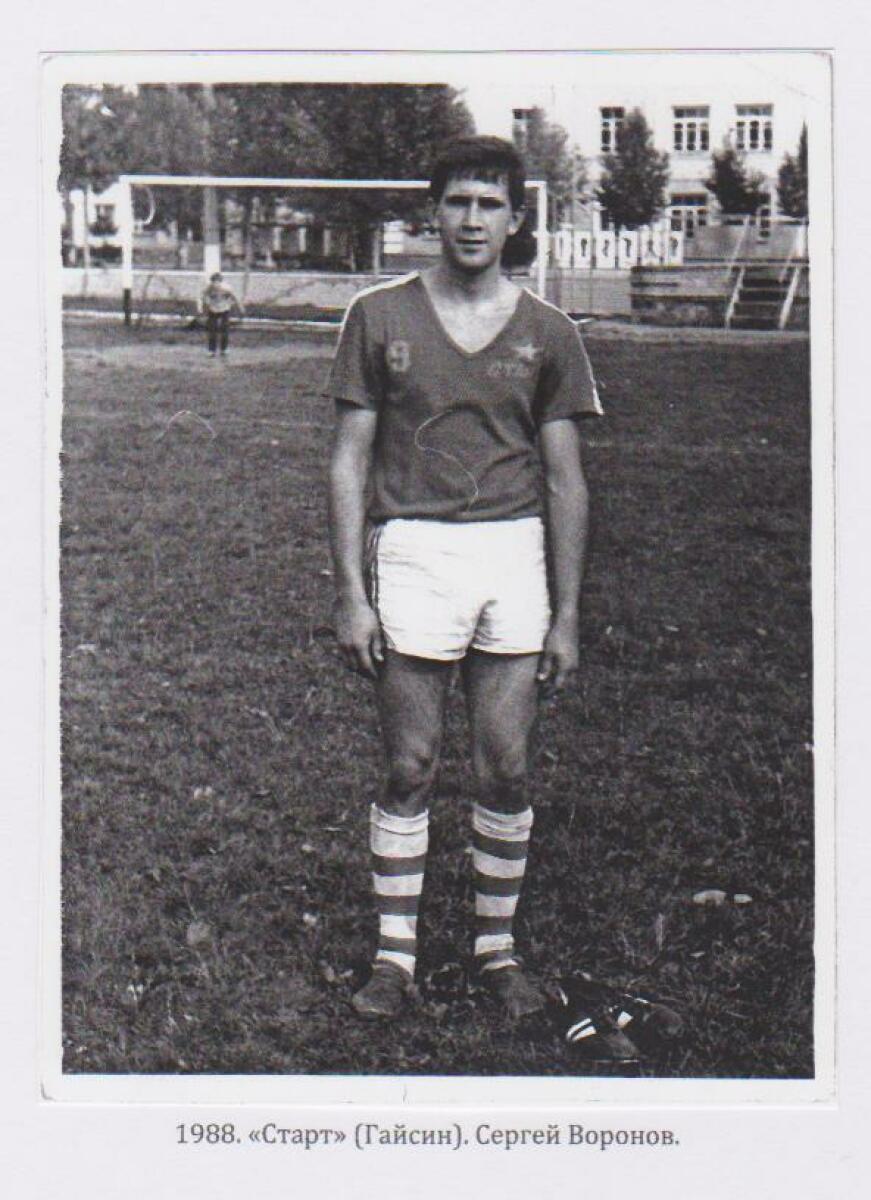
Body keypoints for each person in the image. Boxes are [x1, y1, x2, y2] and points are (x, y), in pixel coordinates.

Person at [326, 135, 602, 1023]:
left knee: (505, 767)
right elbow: (348, 460)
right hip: (414, 551)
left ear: (515, 219)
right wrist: (350, 593)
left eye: (489, 204)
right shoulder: (378, 315)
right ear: (432, 213)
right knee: (410, 764)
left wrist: (566, 614)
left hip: (512, 554)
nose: (472, 219)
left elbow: (565, 480)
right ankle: (393, 958)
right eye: (457, 202)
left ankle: (495, 952)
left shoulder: (549, 331)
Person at [199, 272, 243, 356]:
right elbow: (201, 297)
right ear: (211, 282)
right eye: (214, 282)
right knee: (212, 330)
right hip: (213, 309)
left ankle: (224, 349)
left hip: (225, 309)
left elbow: (235, 297)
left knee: (224, 329)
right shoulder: (208, 288)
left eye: (217, 282)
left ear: (220, 281)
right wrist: (200, 308)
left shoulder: (226, 288)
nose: (215, 284)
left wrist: (240, 308)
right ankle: (212, 350)